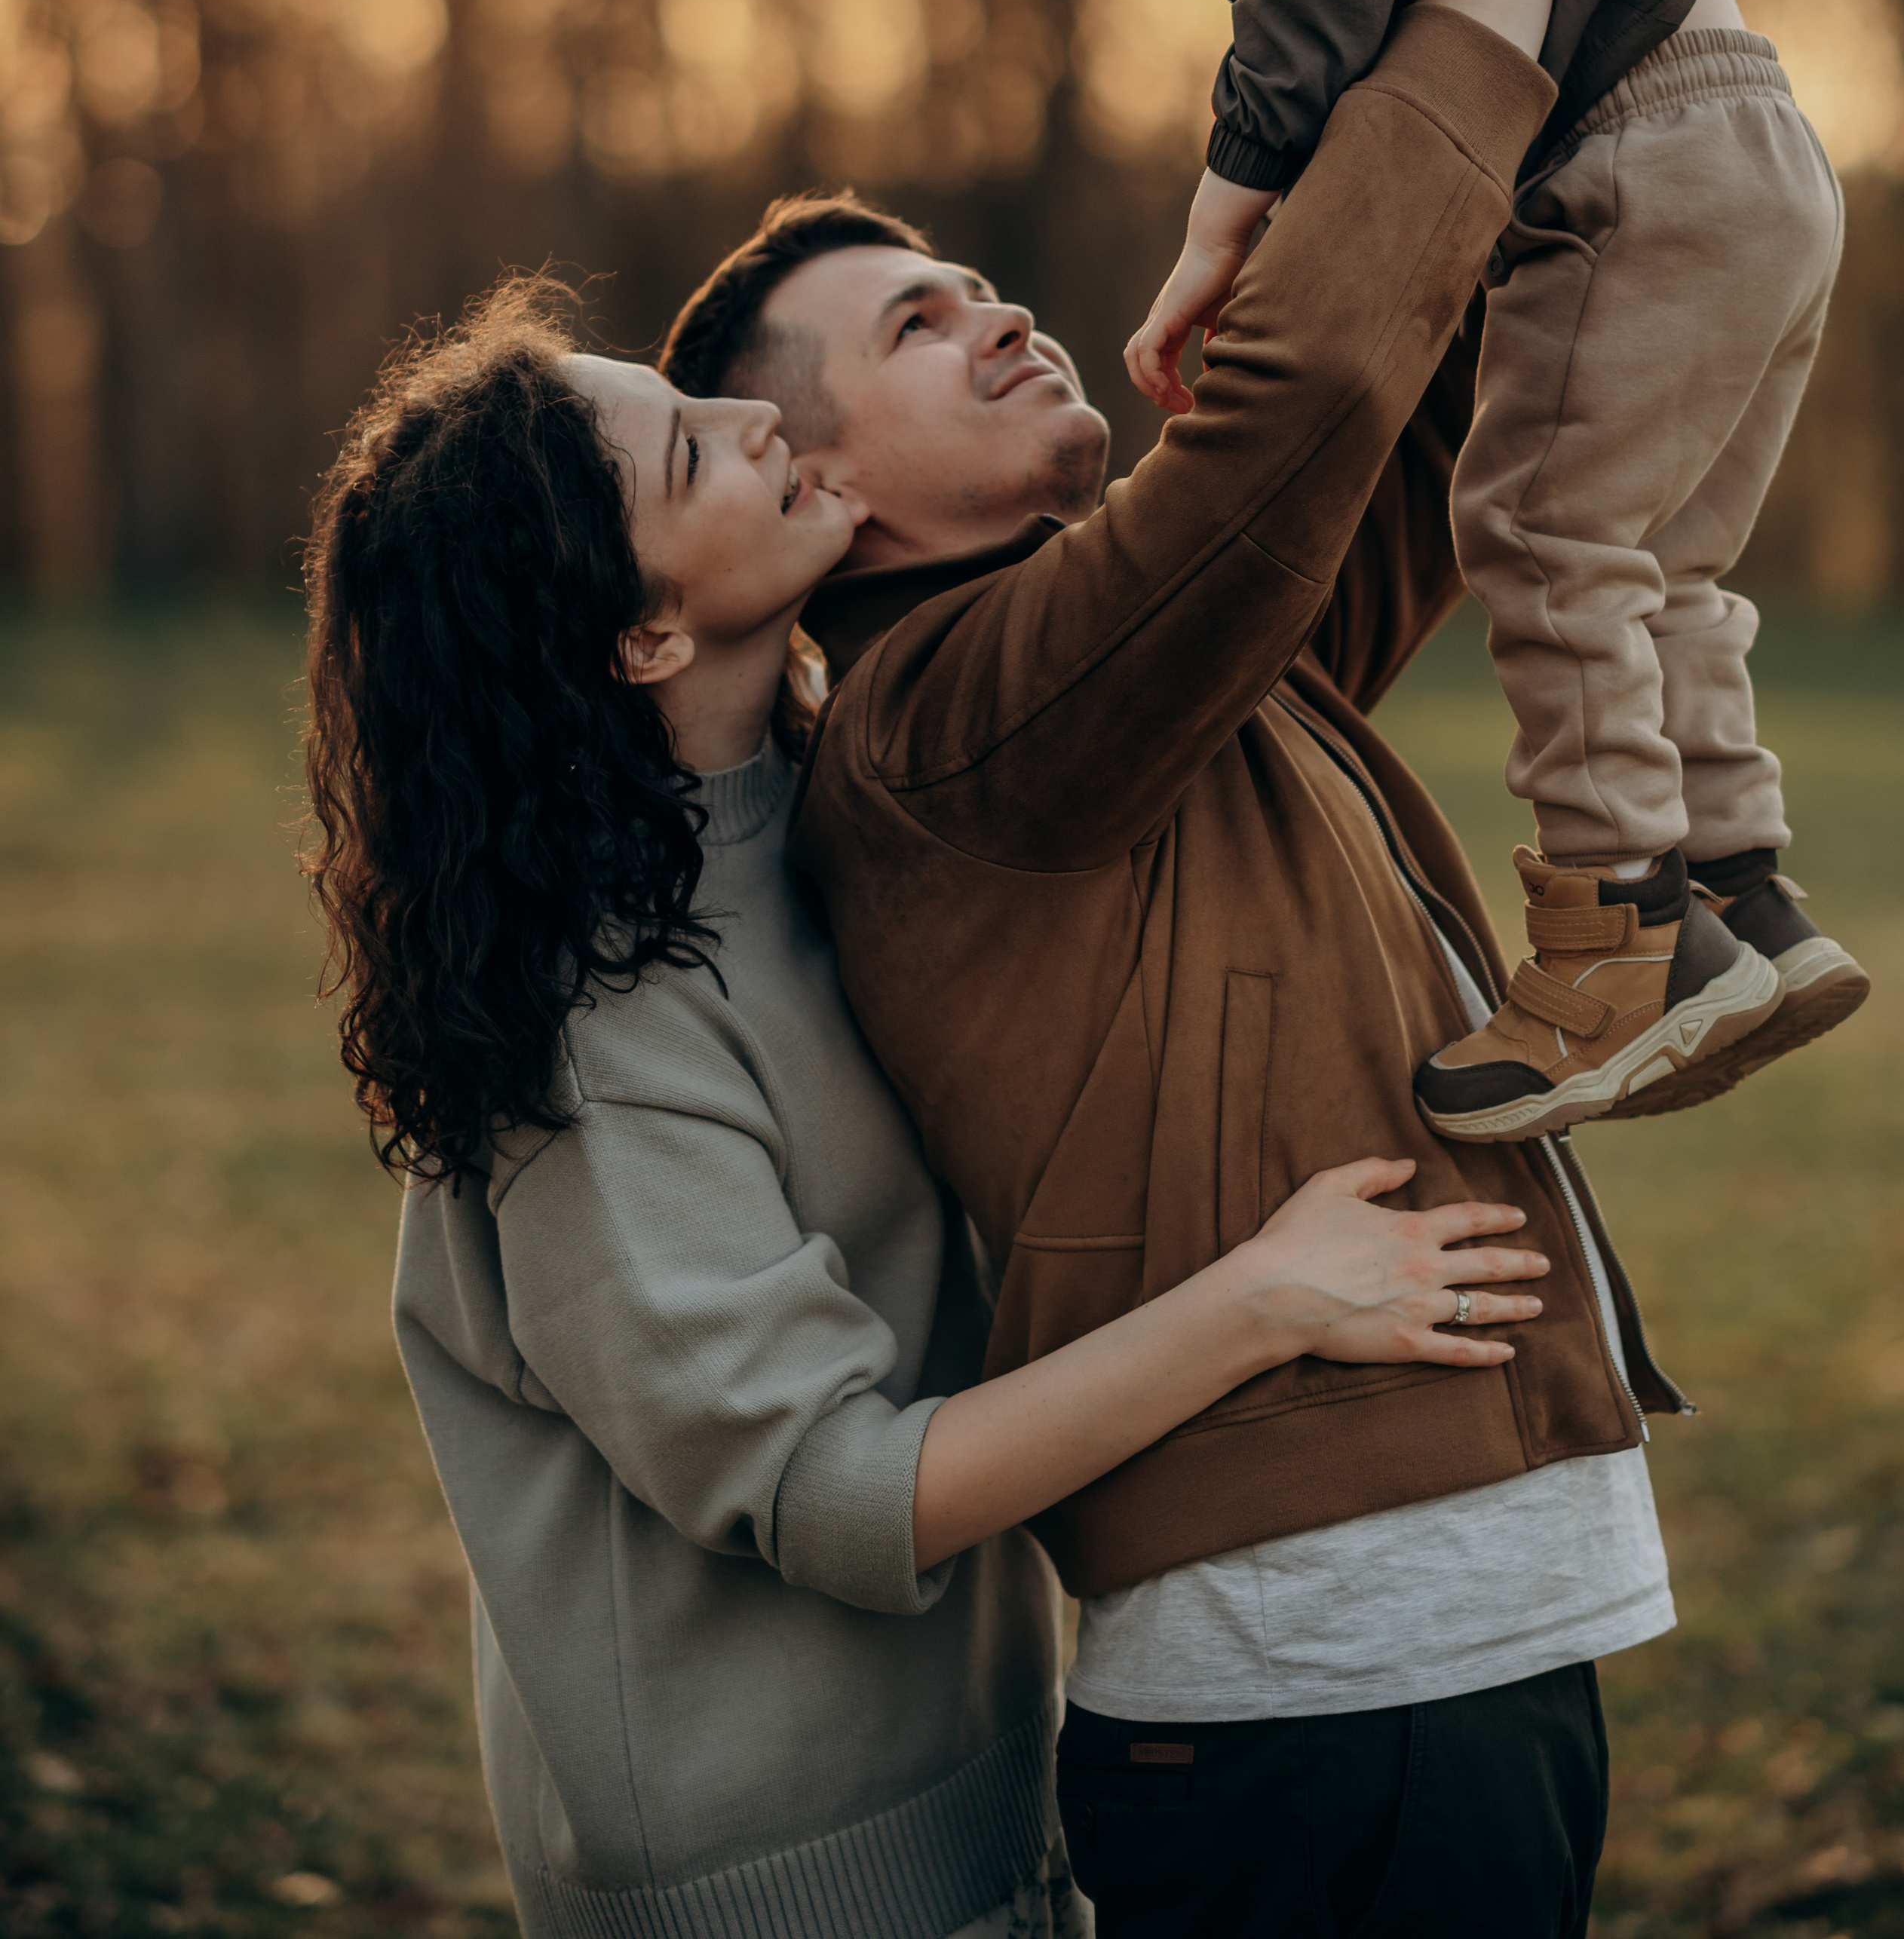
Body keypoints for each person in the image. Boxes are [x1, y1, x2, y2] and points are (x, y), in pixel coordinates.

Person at [657, 0, 1659, 1936]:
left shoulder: (1154, 678)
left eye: (974, 278)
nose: (999, 308)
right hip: (1330, 1686)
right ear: (825, 490)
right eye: (917, 327)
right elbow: (1295, 411)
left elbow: (1402, 420)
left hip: (1436, 1640)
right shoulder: (948, 725)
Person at [299, 277, 1548, 1939]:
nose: (758, 421)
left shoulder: (838, 818)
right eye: (695, 456)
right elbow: (830, 1491)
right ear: (644, 632)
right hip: (776, 1886)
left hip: (998, 1806)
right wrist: (1257, 1301)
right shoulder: (594, 1035)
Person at [1041, 0, 1865, 1142]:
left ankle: (1613, 946)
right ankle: (1743, 893)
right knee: (1659, 560)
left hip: (1633, 160)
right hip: (1765, 148)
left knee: (1540, 535)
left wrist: (1221, 217)